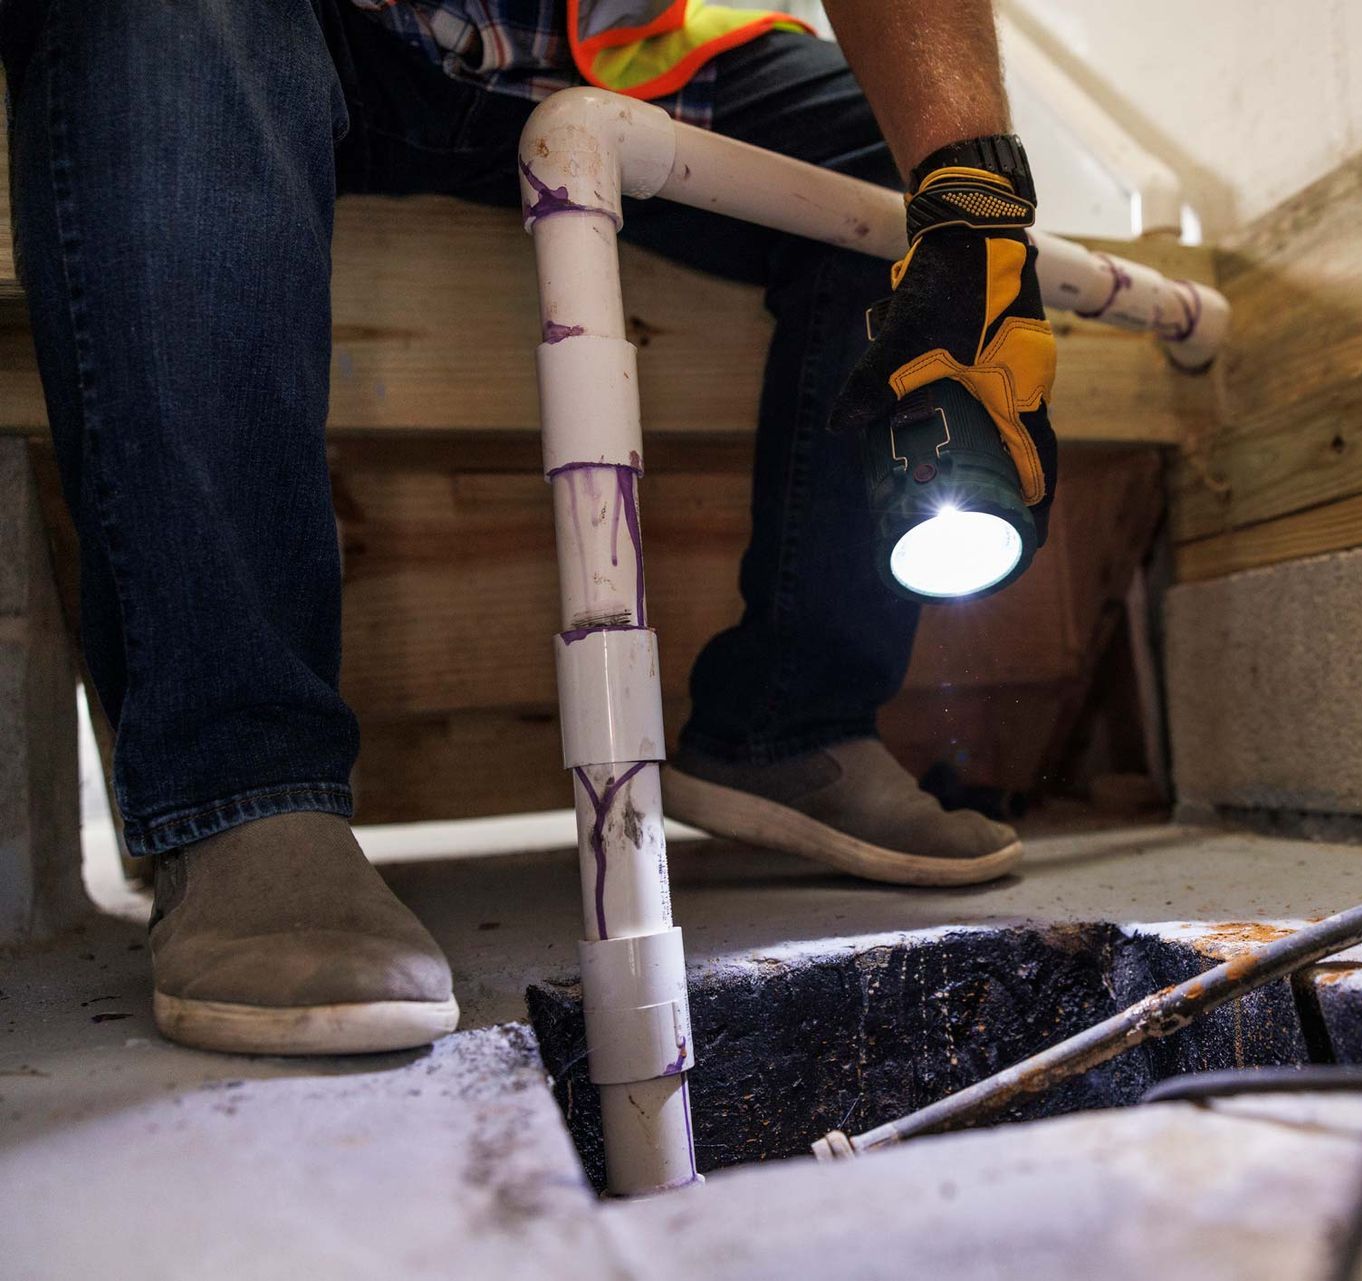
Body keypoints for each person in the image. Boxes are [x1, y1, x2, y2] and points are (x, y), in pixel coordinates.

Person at [0, 0, 1058, 1055]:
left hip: (591, 43)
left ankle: (790, 723)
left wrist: (975, 201)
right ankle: (241, 789)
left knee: (898, 160)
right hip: (303, 25)